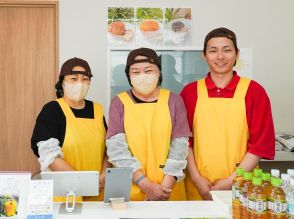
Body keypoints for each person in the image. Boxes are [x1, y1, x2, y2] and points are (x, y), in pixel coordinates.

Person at [180, 27, 275, 200]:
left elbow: (260, 143)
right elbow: (184, 142)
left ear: (237, 54)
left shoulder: (254, 91)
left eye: (227, 50)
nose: (220, 57)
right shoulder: (190, 92)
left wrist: (233, 180)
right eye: (213, 51)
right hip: (199, 187)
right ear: (204, 56)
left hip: (242, 185)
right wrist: (196, 178)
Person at [106, 48, 191, 201]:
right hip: (131, 188)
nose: (142, 76)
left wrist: (165, 187)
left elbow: (180, 146)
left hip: (168, 188)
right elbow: (117, 150)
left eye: (148, 70)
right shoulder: (119, 103)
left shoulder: (174, 101)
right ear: (129, 75)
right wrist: (145, 184)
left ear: (158, 72)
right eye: (136, 72)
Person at [31, 57, 110, 201]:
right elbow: (49, 156)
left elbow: (107, 148)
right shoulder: (52, 110)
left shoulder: (98, 110)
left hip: (98, 192)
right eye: (74, 78)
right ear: (63, 82)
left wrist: (105, 174)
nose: (80, 83)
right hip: (66, 194)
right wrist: (83, 183)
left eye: (85, 79)